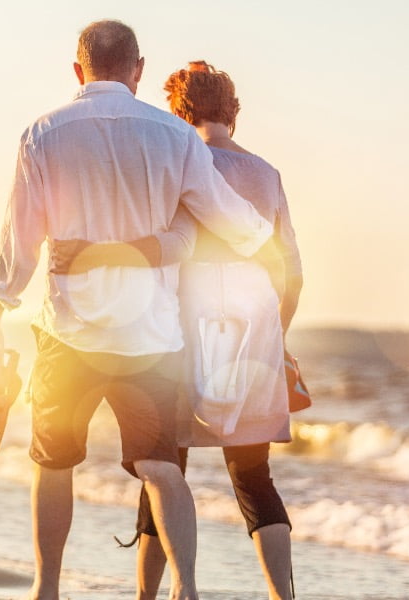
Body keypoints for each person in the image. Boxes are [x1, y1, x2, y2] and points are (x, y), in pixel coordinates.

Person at [0, 23, 274, 600]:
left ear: (77, 71)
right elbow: (235, 225)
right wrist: (262, 233)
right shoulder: (176, 136)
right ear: (138, 69)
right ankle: (186, 589)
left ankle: (47, 589)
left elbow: (20, 240)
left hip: (68, 332)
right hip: (151, 336)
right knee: (161, 467)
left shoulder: (42, 134)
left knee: (53, 461)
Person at [51, 61, 303, 600]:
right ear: (232, 110)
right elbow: (292, 274)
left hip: (183, 314)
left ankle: (150, 595)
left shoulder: (175, 158)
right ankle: (284, 597)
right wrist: (276, 339)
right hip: (255, 315)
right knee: (253, 475)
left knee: (165, 464)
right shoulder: (267, 173)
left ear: (178, 110)